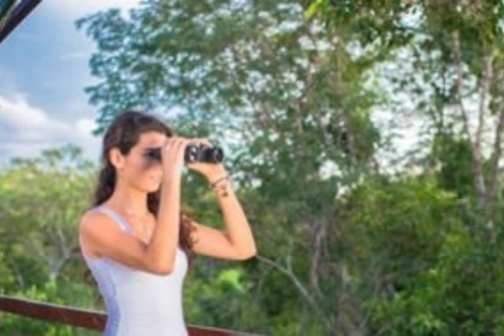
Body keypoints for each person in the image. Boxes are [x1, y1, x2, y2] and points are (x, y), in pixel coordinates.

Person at [78, 110, 257, 336]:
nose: (161, 165)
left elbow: (242, 248)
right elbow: (160, 264)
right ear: (117, 158)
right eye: (154, 154)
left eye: (165, 155)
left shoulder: (166, 222)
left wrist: (218, 177)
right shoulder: (96, 223)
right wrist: (173, 175)